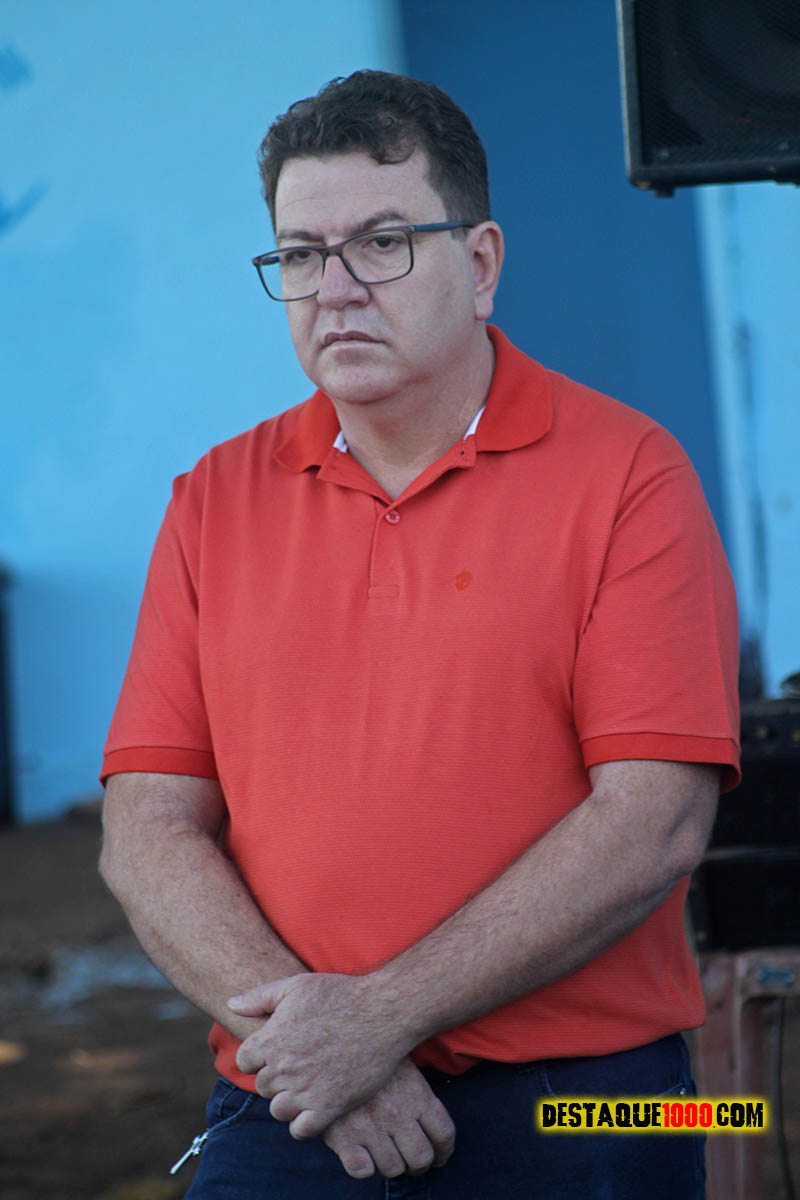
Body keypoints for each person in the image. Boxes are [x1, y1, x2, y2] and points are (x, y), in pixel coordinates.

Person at [99, 69, 740, 1198]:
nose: (335, 289)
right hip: (290, 1094)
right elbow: (143, 829)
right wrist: (323, 1050)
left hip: (593, 1097)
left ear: (481, 263)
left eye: (382, 243)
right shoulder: (212, 500)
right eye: (301, 254)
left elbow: (656, 821)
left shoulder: (632, 474)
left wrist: (379, 1018)